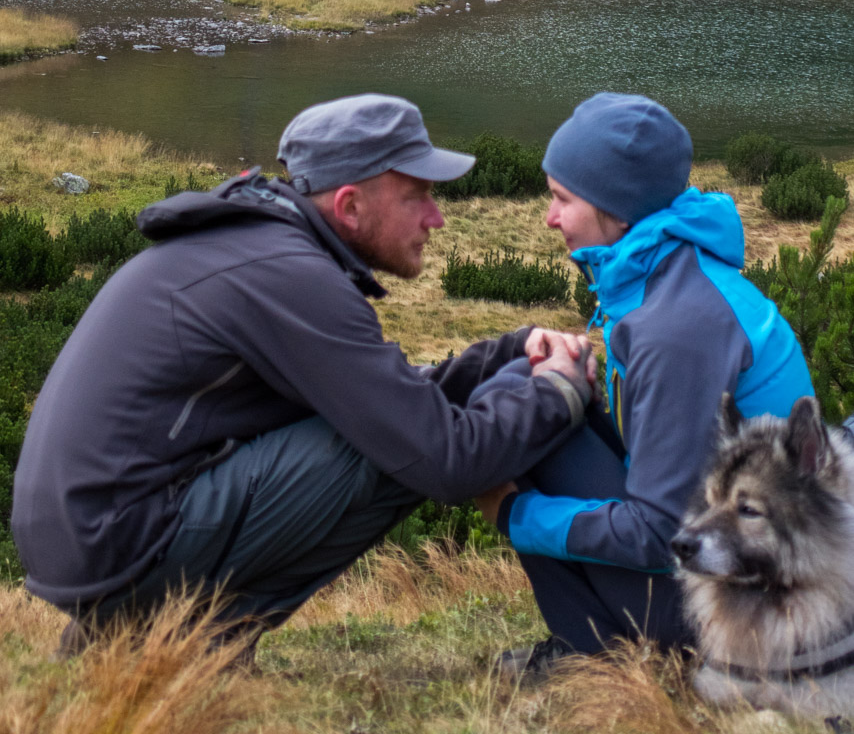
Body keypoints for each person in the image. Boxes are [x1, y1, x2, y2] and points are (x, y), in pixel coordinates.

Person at [12, 93, 594, 659]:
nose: (436, 218)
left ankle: (148, 640)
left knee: (386, 428)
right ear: (349, 206)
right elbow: (442, 458)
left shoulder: (258, 248)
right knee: (391, 451)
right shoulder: (289, 276)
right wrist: (556, 392)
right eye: (417, 196)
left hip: (93, 540)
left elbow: (381, 397)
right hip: (119, 547)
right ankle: (187, 643)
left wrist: (505, 353)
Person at [474, 92, 814, 679]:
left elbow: (660, 531)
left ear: (618, 208)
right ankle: (595, 642)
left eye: (561, 199)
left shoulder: (675, 328)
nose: (549, 218)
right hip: (749, 571)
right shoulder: (672, 275)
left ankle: (600, 654)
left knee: (518, 406)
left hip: (739, 615)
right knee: (529, 389)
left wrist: (514, 514)